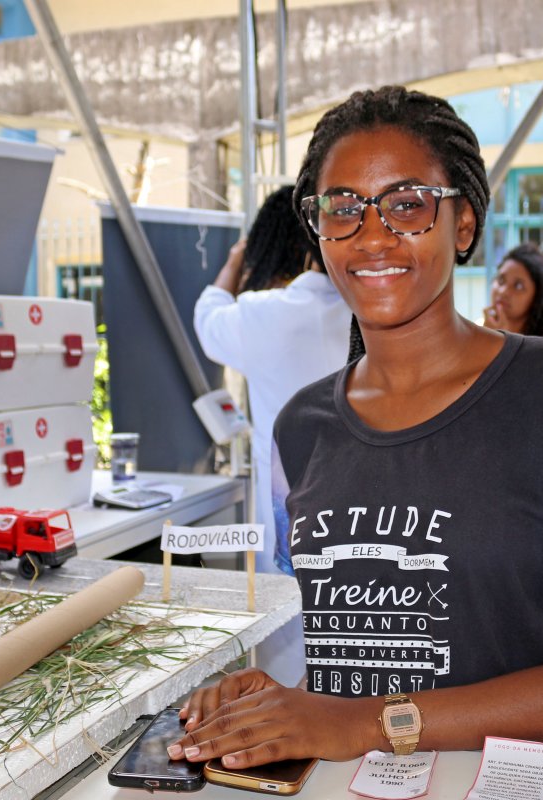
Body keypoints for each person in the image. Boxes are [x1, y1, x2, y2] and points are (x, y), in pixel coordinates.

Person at [171, 86, 543, 769]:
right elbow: (351, 663)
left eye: (407, 203)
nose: (372, 235)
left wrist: (366, 723)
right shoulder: (299, 428)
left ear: (465, 225)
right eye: (343, 209)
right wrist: (285, 706)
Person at [193, 184, 352, 686]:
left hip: (287, 530)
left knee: (286, 670)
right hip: (369, 526)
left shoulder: (263, 314)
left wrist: (235, 263)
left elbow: (207, 317)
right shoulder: (369, 309)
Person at [484, 241, 543, 344]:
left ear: (539, 295)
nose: (503, 292)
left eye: (518, 286)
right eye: (501, 280)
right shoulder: (482, 331)